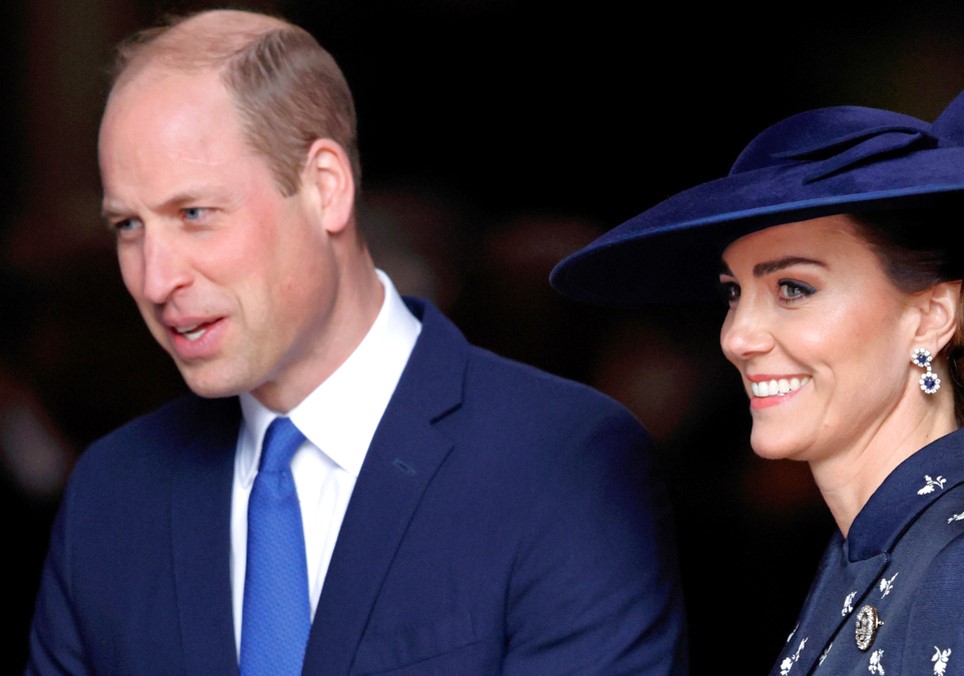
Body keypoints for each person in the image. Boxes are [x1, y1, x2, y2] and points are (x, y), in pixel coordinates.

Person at [26, 9, 687, 675]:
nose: (155, 277)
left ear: (325, 188)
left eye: (194, 214)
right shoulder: (110, 497)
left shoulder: (561, 464)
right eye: (129, 227)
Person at [551, 67, 964, 674]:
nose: (737, 336)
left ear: (931, 317)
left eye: (793, 288)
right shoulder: (879, 549)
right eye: (734, 293)